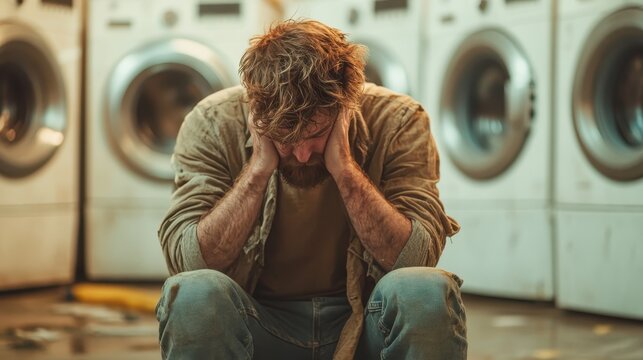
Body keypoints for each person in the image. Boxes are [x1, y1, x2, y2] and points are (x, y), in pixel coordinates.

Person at [156, 19, 466, 360]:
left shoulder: (399, 119)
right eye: (287, 138)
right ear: (255, 109)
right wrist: (258, 170)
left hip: (365, 325)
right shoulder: (213, 122)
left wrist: (345, 168)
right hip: (259, 325)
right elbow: (190, 262)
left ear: (346, 106)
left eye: (317, 133)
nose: (302, 154)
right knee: (193, 294)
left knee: (424, 289)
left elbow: (416, 258)